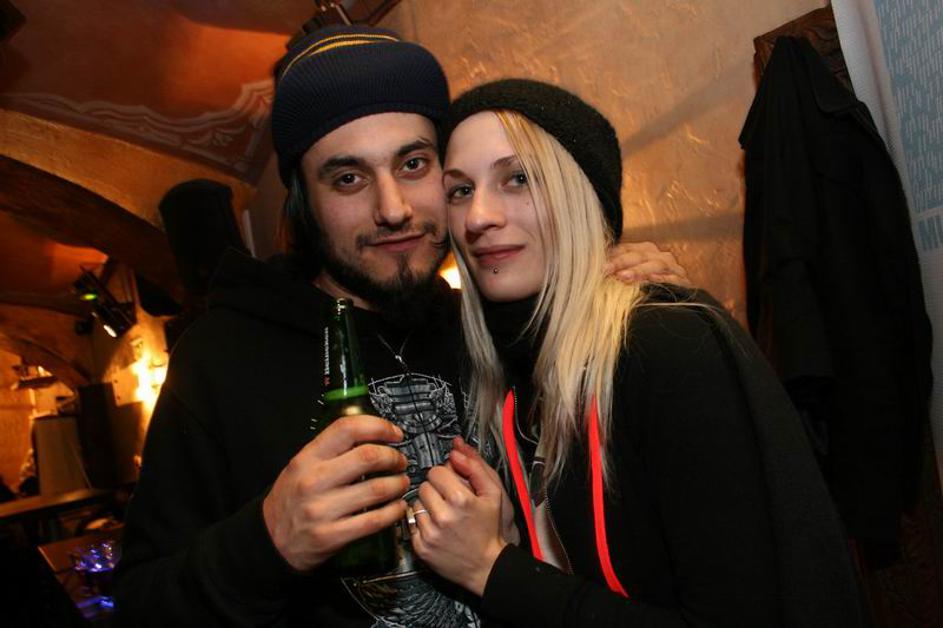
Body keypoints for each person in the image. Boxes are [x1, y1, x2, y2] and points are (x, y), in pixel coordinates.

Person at [114, 26, 686, 627]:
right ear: (304, 202)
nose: (393, 209)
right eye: (348, 178)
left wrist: (613, 287)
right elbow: (141, 606)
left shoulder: (490, 325)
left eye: (413, 164)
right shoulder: (221, 357)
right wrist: (268, 540)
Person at [408, 79, 866, 627]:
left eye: (519, 178)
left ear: (580, 195)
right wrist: (510, 547)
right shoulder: (512, 375)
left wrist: (492, 569)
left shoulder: (666, 347)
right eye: (460, 190)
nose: (478, 216)